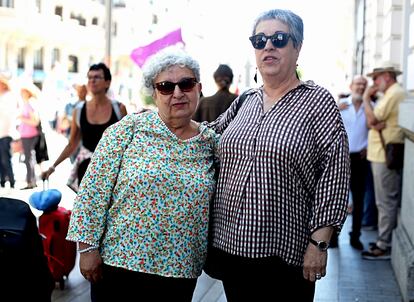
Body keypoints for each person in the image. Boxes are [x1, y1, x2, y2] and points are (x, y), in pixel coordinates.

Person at [205, 9, 350, 301]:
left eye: (279, 39)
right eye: (260, 40)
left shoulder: (317, 101)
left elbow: (334, 175)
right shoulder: (246, 99)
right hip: (231, 246)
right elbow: (205, 137)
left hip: (285, 253)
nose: (268, 46)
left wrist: (318, 245)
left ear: (297, 47)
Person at [65, 49, 220, 301]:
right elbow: (93, 190)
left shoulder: (211, 142)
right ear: (155, 93)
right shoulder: (130, 129)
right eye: (166, 87)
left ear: (199, 88)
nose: (178, 93)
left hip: (180, 270)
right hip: (119, 264)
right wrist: (87, 248)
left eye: (186, 84)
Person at [42, 63, 127, 190]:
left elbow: (128, 143)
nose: (92, 80)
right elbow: (72, 144)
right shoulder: (79, 110)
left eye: (97, 77)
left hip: (112, 171)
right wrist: (52, 167)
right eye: (89, 77)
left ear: (107, 83)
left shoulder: (119, 109)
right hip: (86, 170)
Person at [361, 62, 406, 260]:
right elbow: (374, 122)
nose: (374, 82)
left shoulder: (394, 93)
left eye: (376, 78)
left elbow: (372, 120)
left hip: (384, 155)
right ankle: (383, 239)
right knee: (383, 200)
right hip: (380, 153)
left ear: (387, 76)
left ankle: (384, 245)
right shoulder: (389, 94)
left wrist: (365, 99)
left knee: (385, 201)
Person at [338, 75, 371, 250]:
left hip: (360, 159)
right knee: (338, 201)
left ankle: (355, 237)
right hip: (342, 159)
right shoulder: (341, 106)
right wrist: (335, 108)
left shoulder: (370, 107)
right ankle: (333, 237)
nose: (360, 87)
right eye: (358, 84)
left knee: (358, 200)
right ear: (351, 86)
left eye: (363, 85)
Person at [18, 82, 41, 190]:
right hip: (25, 134)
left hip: (29, 135)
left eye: (23, 92)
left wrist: (22, 118)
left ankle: (31, 181)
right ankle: (31, 181)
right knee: (28, 158)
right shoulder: (26, 104)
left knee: (29, 158)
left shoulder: (30, 104)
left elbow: (35, 121)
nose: (21, 94)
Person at [0, 75, 17, 189]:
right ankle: (3, 180)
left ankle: (11, 180)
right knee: (1, 160)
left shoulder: (8, 97)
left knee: (6, 159)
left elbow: (9, 115)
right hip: (2, 133)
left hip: (6, 133)